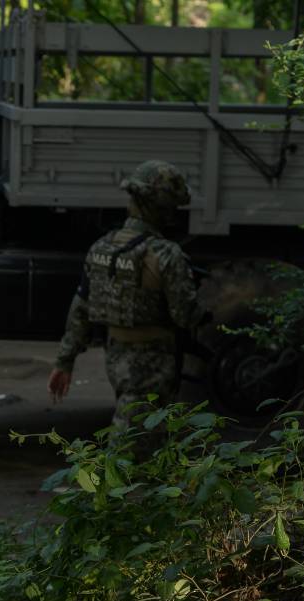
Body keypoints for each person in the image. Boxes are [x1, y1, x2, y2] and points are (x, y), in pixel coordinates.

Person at [46, 160, 206, 447]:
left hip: (116, 358)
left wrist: (64, 361)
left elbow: (80, 310)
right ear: (163, 208)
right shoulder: (167, 255)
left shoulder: (103, 247)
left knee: (150, 437)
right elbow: (185, 316)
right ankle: (108, 489)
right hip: (153, 362)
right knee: (133, 444)